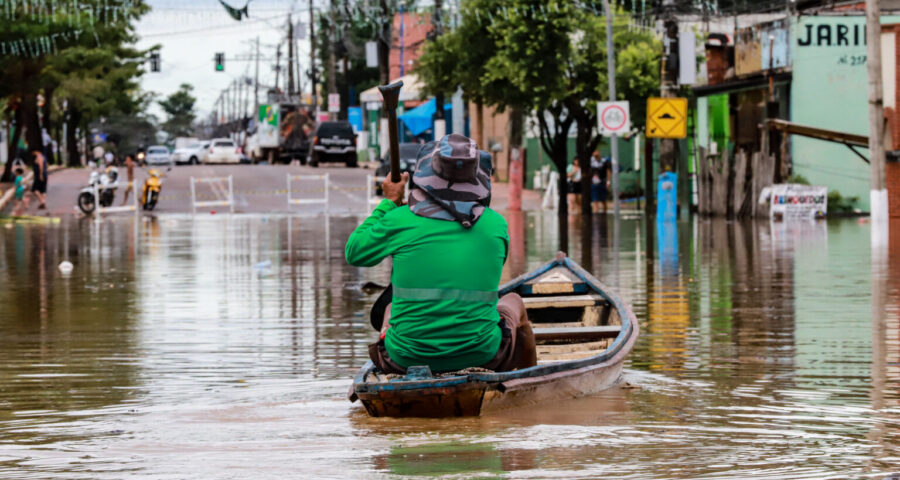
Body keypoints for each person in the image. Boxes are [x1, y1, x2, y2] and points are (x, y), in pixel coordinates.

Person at [345, 133, 537, 374]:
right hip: (483, 353)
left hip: (404, 358)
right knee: (514, 301)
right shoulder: (496, 225)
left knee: (390, 308)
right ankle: (528, 377)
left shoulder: (399, 219)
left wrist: (390, 201)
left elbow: (354, 252)